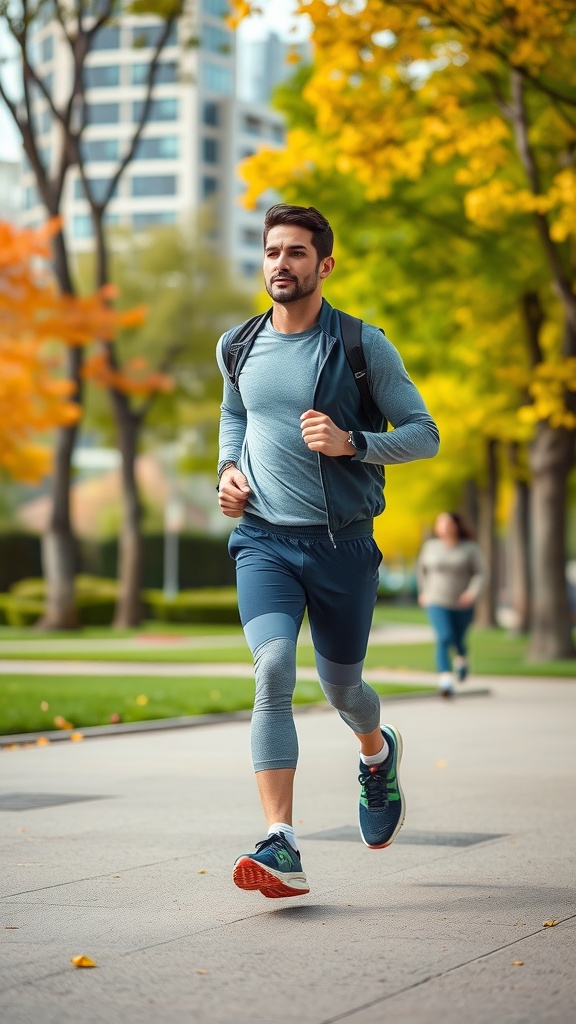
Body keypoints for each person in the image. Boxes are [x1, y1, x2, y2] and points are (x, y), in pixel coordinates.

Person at [216, 203, 440, 899]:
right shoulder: (238, 344)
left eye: (296, 253)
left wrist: (355, 444)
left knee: (344, 689)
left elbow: (426, 433)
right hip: (264, 542)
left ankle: (376, 752)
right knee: (274, 667)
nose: (281, 264)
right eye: (271, 252)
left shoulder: (361, 345)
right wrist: (226, 472)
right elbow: (234, 415)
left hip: (343, 548)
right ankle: (281, 841)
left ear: (325, 265)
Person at [416, 512, 485, 697]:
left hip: (462, 602)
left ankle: (462, 658)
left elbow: (480, 573)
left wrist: (472, 593)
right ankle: (445, 681)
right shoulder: (430, 547)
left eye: (448, 523)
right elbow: (421, 571)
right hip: (436, 600)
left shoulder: (469, 548)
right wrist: (423, 592)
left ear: (456, 526)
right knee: (444, 637)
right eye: (440, 523)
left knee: (458, 640)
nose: (444, 527)